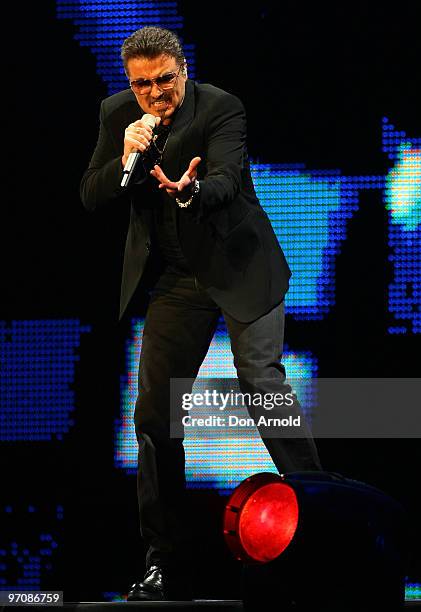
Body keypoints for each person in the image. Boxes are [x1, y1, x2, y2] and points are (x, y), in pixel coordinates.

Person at [80, 26, 322, 601]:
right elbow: (91, 194)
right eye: (143, 84)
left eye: (165, 79)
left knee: (261, 381)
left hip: (240, 268)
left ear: (182, 71)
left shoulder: (220, 106)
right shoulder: (117, 115)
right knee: (154, 416)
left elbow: (226, 180)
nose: (156, 93)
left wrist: (188, 192)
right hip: (175, 281)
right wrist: (127, 156)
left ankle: (321, 516)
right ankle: (164, 563)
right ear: (130, 84)